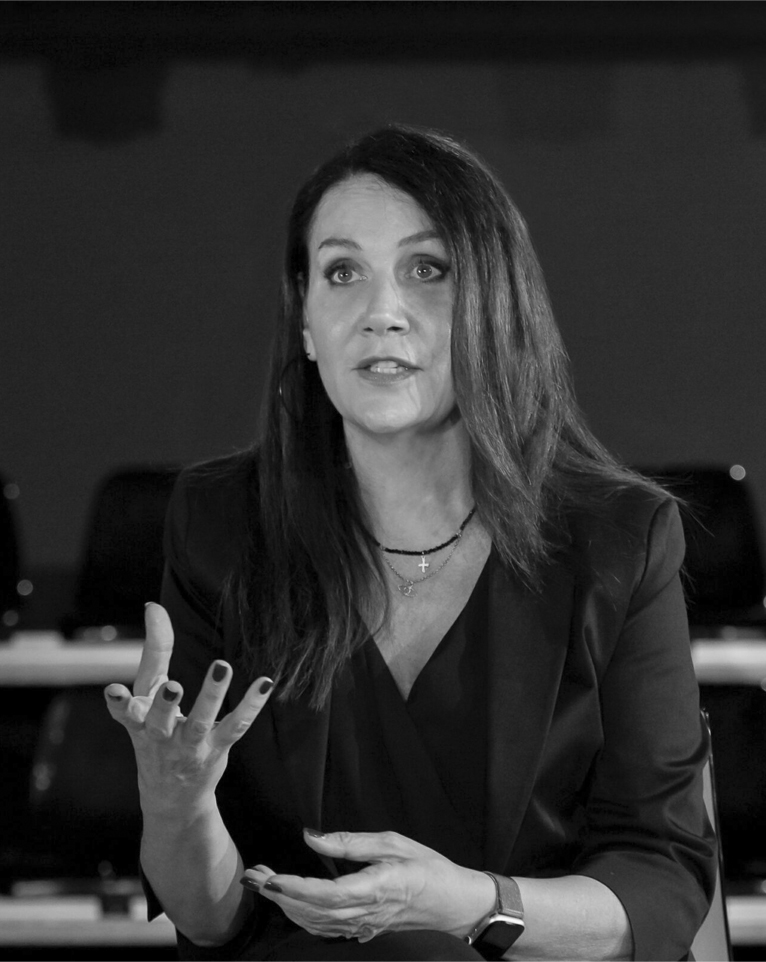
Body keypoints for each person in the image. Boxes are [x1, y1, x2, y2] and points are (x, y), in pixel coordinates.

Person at [105, 125, 716, 962]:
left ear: (495, 306)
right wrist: (175, 804)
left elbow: (663, 879)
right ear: (307, 322)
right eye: (342, 272)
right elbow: (214, 923)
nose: (380, 313)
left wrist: (466, 905)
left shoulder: (618, 538)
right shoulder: (221, 522)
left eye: (427, 269)